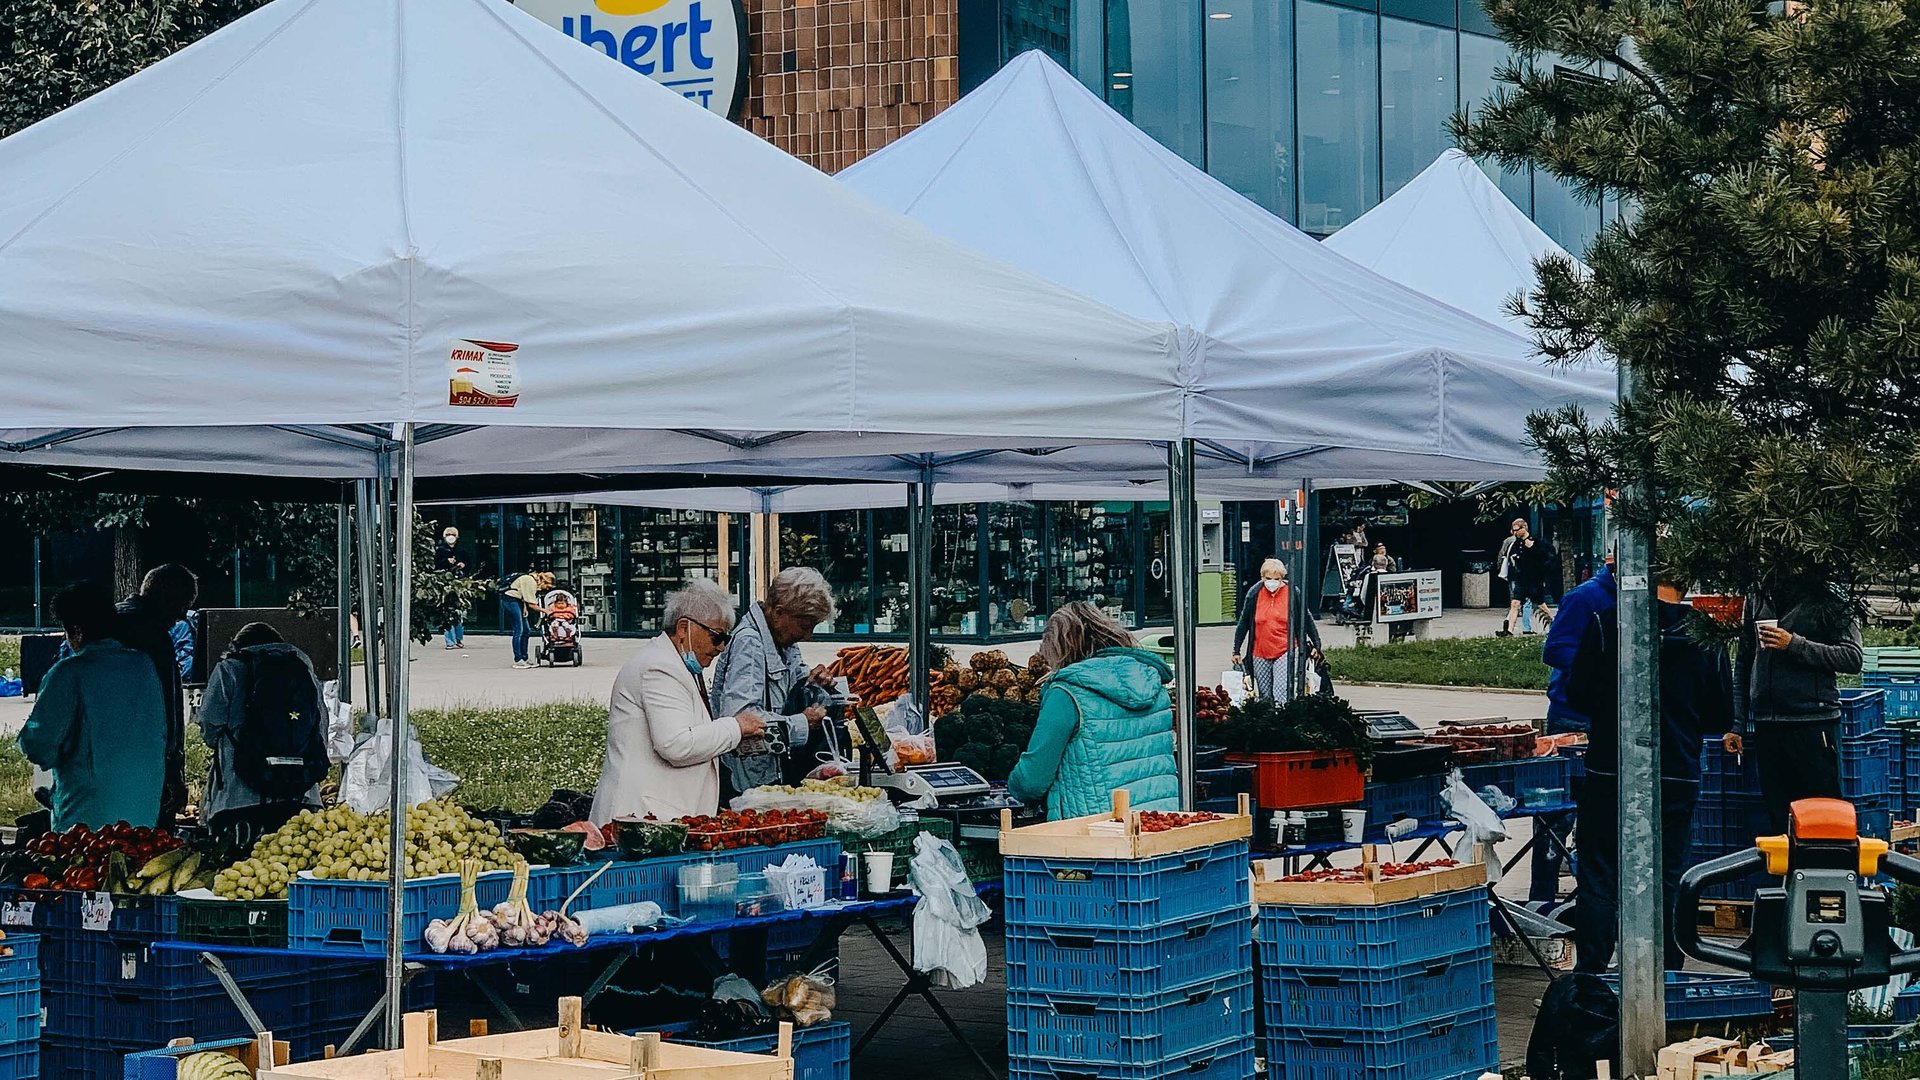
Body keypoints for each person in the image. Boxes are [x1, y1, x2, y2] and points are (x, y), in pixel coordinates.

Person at [1567, 572, 1732, 973]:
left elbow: (1578, 694)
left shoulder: (1608, 623)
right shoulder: (1706, 636)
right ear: (1687, 582)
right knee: (1668, 874)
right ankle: (1667, 969)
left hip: (1610, 768)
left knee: (1600, 872)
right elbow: (1719, 715)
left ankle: (1591, 972)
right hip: (1677, 770)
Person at [590, 580, 767, 823]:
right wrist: (736, 727)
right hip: (640, 816)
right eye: (717, 636)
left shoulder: (676, 663)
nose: (722, 648)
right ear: (684, 628)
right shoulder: (660, 667)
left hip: (656, 815)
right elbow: (675, 744)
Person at [1008, 602, 1179, 820]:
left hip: (1097, 827)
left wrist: (1013, 786)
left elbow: (1032, 780)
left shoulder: (1066, 694)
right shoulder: (1152, 684)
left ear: (1060, 649)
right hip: (1160, 820)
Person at [18, 583, 167, 831]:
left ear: (76, 630)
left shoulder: (68, 673)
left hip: (89, 811)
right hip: (145, 804)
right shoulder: (143, 665)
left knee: (84, 856)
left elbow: (39, 745)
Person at [1723, 583, 1864, 833]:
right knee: (1778, 822)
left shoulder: (1827, 593)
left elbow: (1852, 657)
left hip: (1813, 724)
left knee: (1822, 819)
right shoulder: (1758, 591)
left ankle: (1822, 859)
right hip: (1768, 726)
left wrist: (1794, 645)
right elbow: (1744, 661)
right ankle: (1785, 860)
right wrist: (1737, 724)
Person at [1529, 551, 1615, 901]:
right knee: (1557, 815)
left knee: (1601, 814)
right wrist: (1602, 667)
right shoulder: (1585, 597)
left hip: (1610, 717)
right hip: (1573, 716)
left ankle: (1594, 897)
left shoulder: (1638, 598)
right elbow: (1555, 650)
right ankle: (1542, 899)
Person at [712, 567, 838, 800]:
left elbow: (795, 680)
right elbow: (741, 719)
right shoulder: (750, 644)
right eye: (805, 626)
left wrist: (816, 682)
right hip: (746, 784)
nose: (808, 636)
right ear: (779, 612)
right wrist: (802, 723)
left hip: (767, 774)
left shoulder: (782, 640)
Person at [197, 623, 328, 834]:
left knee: (241, 855)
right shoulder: (303, 671)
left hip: (239, 797)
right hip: (299, 794)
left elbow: (209, 725)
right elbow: (320, 727)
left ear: (237, 645)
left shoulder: (229, 669)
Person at [118, 564, 197, 825]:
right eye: (182, 604)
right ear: (165, 596)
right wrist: (173, 771)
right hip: (146, 765)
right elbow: (167, 708)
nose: (183, 615)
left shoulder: (107, 622)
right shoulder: (153, 635)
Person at [1230, 559, 1323, 704]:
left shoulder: (1292, 593)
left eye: (1277, 579)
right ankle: (1269, 717)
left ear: (1282, 578)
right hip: (1260, 652)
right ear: (1262, 577)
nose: (1272, 582)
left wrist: (1317, 644)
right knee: (1265, 696)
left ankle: (1282, 715)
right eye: (1268, 578)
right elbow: (1243, 623)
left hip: (1286, 649)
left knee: (1281, 692)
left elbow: (1306, 618)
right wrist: (1236, 650)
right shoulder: (1254, 593)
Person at [1499, 519, 1554, 637]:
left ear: (1524, 528)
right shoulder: (1516, 543)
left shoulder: (1536, 541)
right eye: (1513, 530)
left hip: (1534, 580)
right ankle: (1509, 631)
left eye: (1517, 530)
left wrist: (1532, 548)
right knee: (1515, 603)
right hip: (1521, 578)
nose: (1515, 533)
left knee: (1541, 606)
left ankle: (1554, 625)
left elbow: (1546, 557)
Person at [501, 570, 554, 670]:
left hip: (518, 601)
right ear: (543, 581)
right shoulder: (531, 582)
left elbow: (524, 596)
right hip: (510, 600)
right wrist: (546, 611)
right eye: (547, 586)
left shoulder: (531, 580)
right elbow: (532, 605)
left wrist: (524, 608)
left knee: (526, 630)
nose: (546, 589)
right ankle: (518, 659)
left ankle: (525, 658)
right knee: (519, 630)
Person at [436, 526, 470, 651]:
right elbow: (436, 565)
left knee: (459, 612)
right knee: (447, 612)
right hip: (444, 582)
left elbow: (469, 563)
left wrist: (463, 565)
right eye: (448, 534)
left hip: (459, 583)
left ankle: (459, 638)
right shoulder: (440, 550)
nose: (450, 536)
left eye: (453, 534)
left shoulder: (462, 549)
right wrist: (446, 561)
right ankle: (450, 641)